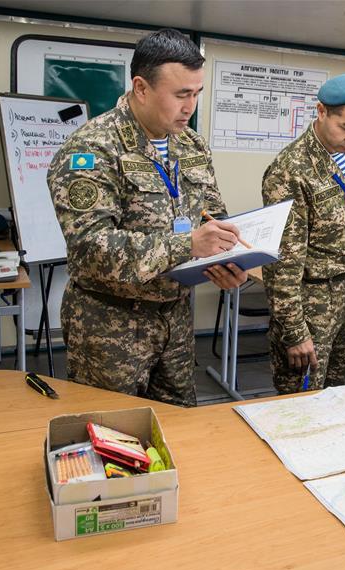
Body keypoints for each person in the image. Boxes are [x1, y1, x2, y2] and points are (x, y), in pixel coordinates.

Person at [48, 29, 247, 406]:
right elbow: (90, 247)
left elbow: (212, 214)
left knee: (178, 424)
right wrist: (187, 244)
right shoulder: (90, 149)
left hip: (175, 318)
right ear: (141, 87)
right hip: (110, 324)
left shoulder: (191, 144)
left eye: (197, 93)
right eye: (181, 95)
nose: (190, 106)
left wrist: (226, 258)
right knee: (112, 433)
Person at [261, 73, 345, 393]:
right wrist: (295, 332)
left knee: (334, 393)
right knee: (300, 399)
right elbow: (281, 262)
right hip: (308, 302)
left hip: (342, 296)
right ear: (322, 112)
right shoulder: (291, 169)